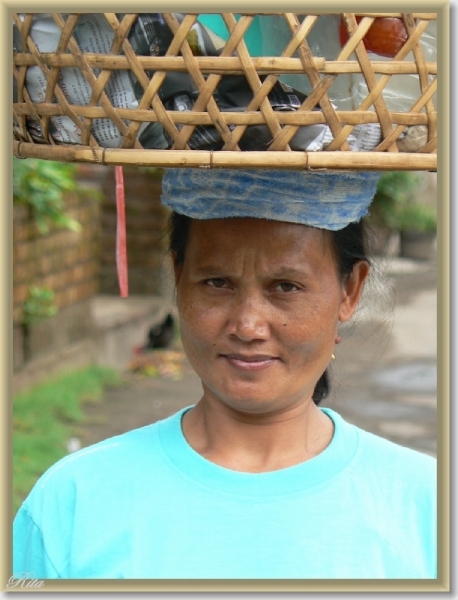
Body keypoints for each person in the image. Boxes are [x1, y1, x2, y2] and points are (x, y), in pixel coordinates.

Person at [13, 168, 436, 579]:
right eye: (217, 282)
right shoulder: (73, 503)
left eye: (285, 287)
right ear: (179, 279)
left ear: (350, 291)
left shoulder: (429, 508)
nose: (248, 326)